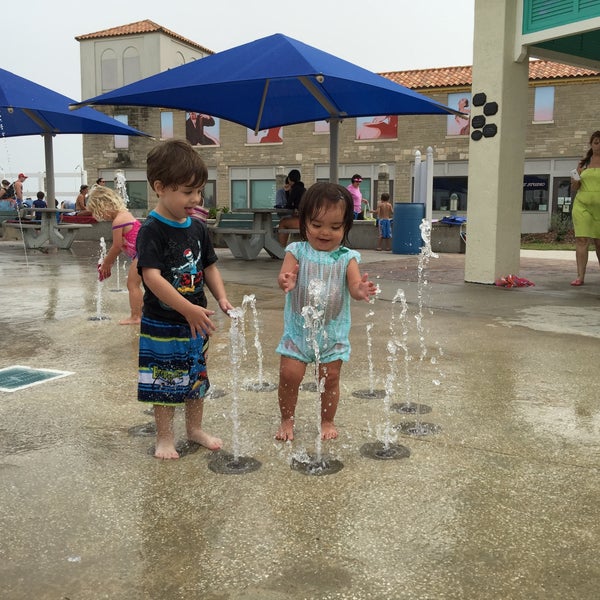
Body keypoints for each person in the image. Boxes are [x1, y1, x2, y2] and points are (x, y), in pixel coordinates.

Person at [137, 139, 234, 459]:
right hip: (162, 321)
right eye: (187, 192)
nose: (195, 199)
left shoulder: (197, 227)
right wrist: (188, 308)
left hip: (196, 321)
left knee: (197, 375)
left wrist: (220, 297)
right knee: (164, 380)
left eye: (199, 192)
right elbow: (151, 277)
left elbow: (209, 266)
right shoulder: (152, 229)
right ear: (160, 187)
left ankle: (194, 429)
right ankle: (165, 437)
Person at [275, 182, 378, 442]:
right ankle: (287, 418)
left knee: (330, 379)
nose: (325, 232)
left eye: (335, 227)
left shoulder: (347, 257)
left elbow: (353, 286)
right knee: (289, 376)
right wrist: (286, 280)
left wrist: (361, 289)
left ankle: (327, 420)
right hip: (298, 331)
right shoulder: (296, 251)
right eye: (317, 224)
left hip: (331, 333)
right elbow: (285, 275)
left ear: (345, 227)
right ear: (304, 223)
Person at [87, 186, 144, 325]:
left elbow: (116, 246)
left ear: (106, 205)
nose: (102, 216)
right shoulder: (126, 215)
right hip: (144, 253)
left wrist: (107, 263)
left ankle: (136, 316)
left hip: (142, 255)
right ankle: (143, 313)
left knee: (132, 285)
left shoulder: (118, 221)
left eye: (100, 212)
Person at [569, 129, 600, 286]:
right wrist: (576, 178)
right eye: (596, 142)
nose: (599, 145)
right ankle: (580, 276)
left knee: (599, 242)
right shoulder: (583, 163)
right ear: (591, 144)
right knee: (581, 240)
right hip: (582, 206)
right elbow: (575, 187)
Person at [277, 169, 306, 246]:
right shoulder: (303, 189)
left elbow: (288, 205)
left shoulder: (295, 189)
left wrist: (287, 192)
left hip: (304, 222)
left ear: (289, 179)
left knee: (283, 223)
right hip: (307, 219)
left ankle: (281, 249)